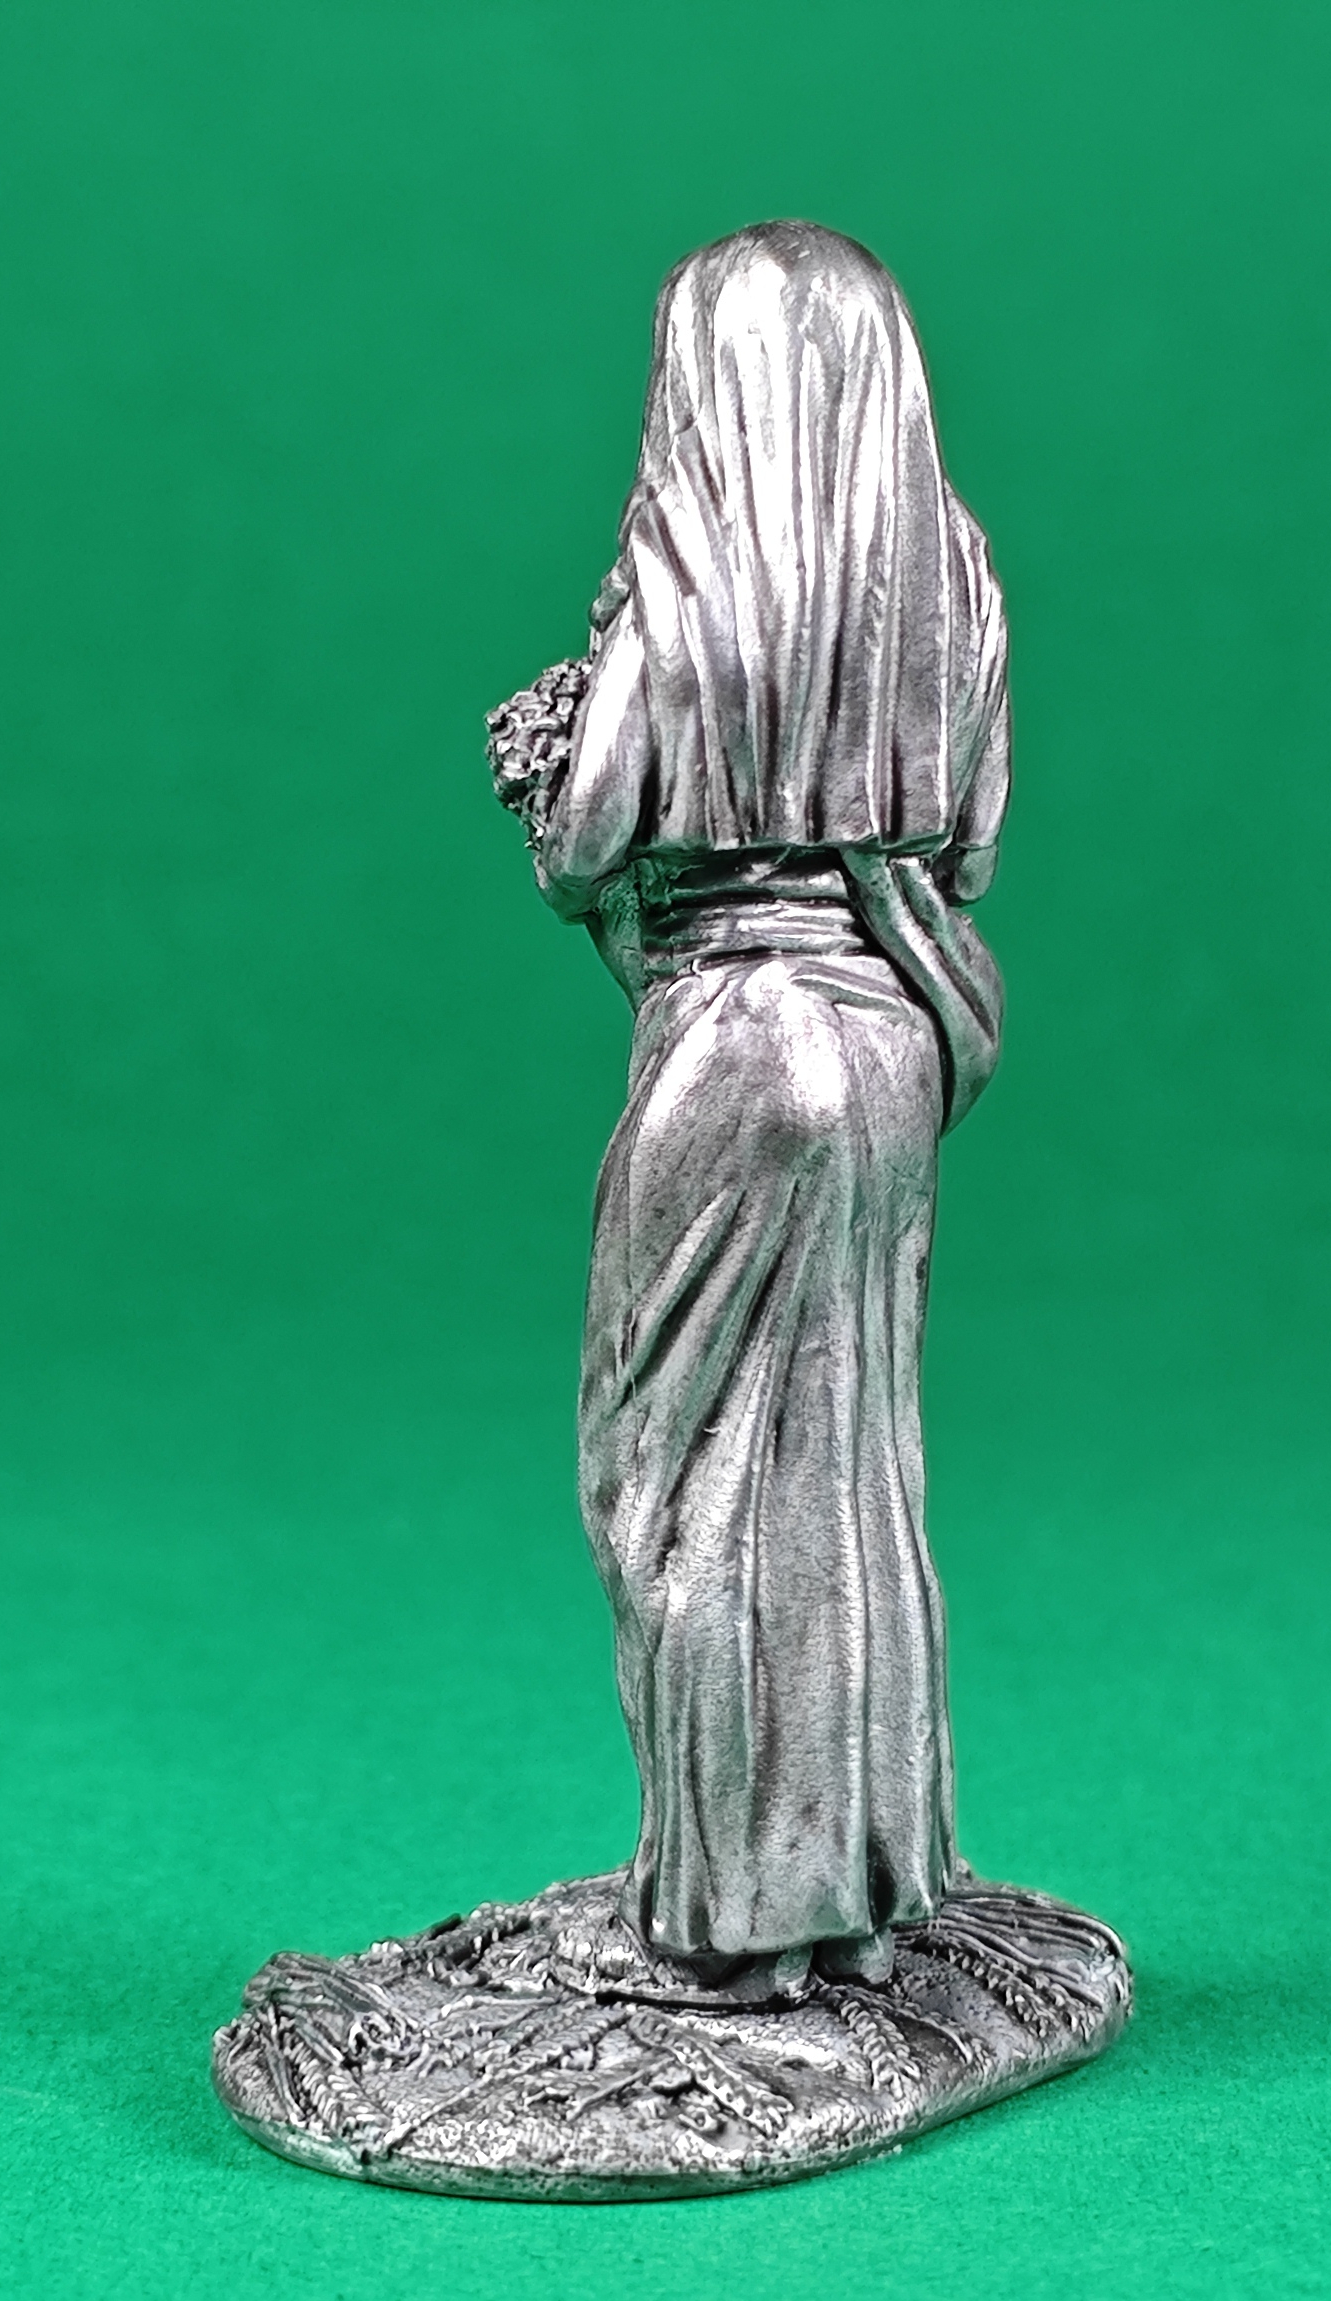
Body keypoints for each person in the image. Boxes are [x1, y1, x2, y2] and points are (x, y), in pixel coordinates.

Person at [507, 220, 1011, 1998]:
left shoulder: (686, 594)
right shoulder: (951, 582)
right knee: (845, 1476)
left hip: (736, 1032)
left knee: (681, 1480)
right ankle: (861, 1902)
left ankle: (733, 1930)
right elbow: (966, 848)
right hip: (883, 1037)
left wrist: (550, 747)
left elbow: (586, 848)